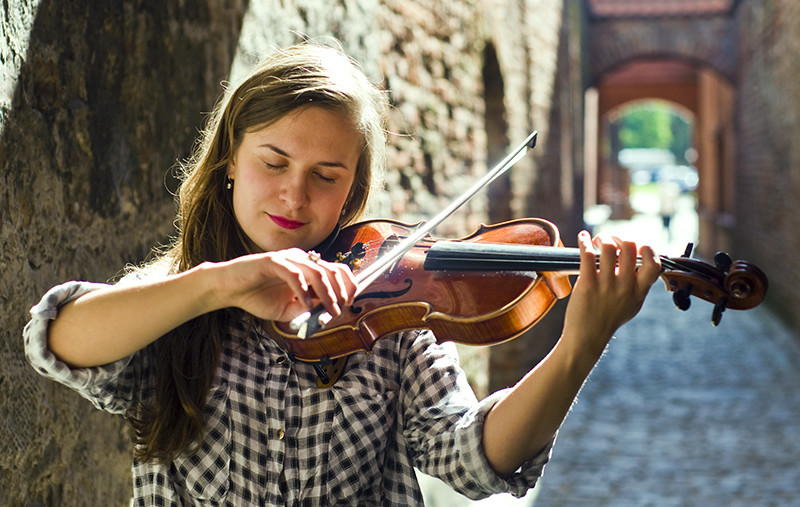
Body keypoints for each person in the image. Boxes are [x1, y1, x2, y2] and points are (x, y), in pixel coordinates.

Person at [24, 42, 661, 505]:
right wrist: (220, 283)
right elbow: (57, 341)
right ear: (228, 162)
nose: (294, 197)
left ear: (352, 191)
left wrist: (580, 345)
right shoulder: (175, 298)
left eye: (326, 177)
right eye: (273, 163)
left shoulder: (388, 315)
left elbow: (473, 461)